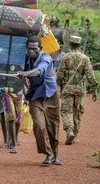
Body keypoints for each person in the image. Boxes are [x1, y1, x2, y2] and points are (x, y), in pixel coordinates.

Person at [18, 36, 62, 165]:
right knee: (39, 125)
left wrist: (25, 74)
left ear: (40, 49)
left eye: (35, 49)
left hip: (50, 94)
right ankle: (48, 153)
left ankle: (55, 156)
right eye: (29, 49)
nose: (32, 51)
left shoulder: (46, 58)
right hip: (35, 95)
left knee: (53, 126)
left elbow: (39, 71)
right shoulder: (26, 58)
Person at [56, 35, 98, 145]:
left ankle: (69, 131)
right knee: (78, 111)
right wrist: (94, 90)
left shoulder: (65, 57)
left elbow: (60, 74)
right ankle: (75, 136)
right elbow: (90, 75)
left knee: (66, 111)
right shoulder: (85, 58)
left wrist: (58, 86)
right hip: (80, 90)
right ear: (79, 45)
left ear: (70, 44)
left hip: (67, 89)